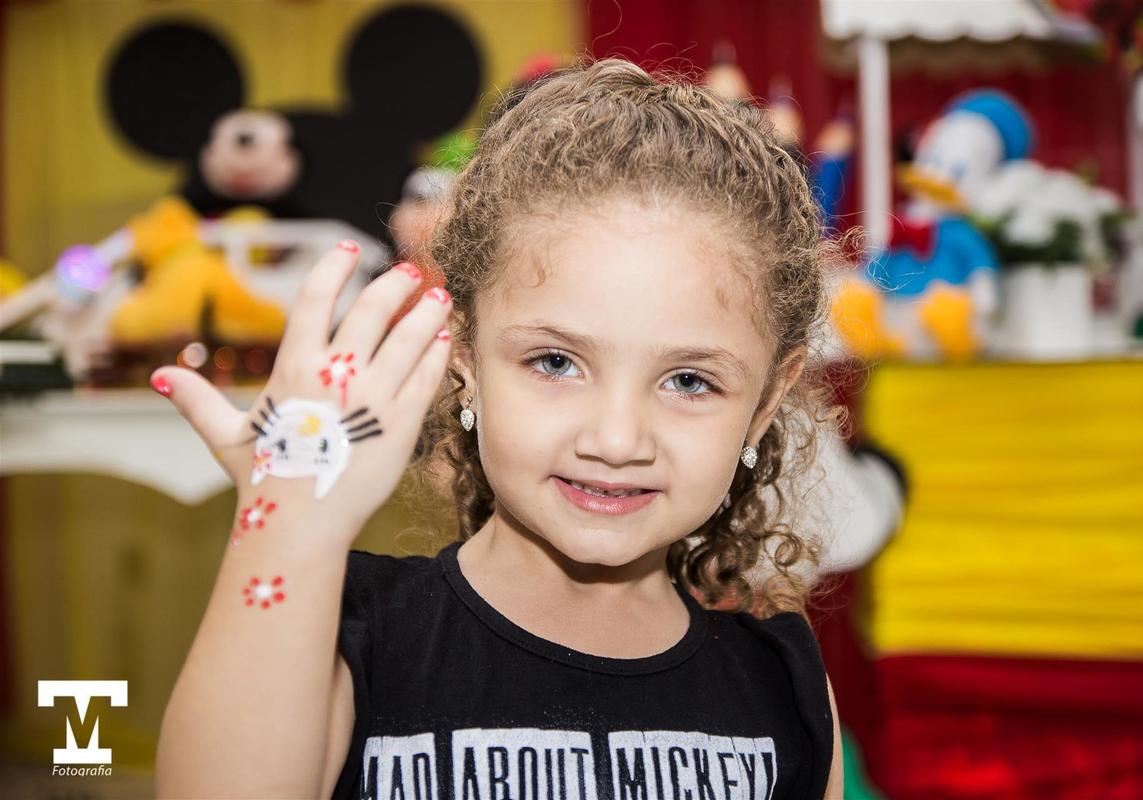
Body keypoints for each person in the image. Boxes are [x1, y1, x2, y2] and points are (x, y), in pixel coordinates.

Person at [152, 58, 844, 800]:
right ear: (466, 359)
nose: (615, 439)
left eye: (688, 380)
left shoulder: (785, 686)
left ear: (766, 399)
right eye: (554, 361)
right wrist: (285, 526)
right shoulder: (340, 634)